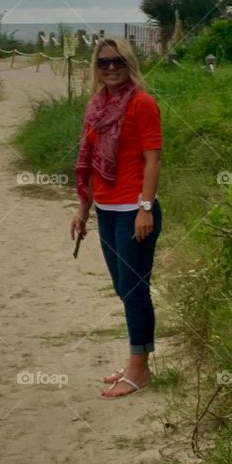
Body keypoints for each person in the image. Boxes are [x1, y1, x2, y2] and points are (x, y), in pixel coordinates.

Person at [70, 37, 163, 398]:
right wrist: (82, 209)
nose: (110, 68)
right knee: (123, 288)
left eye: (118, 62)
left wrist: (145, 207)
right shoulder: (97, 106)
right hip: (107, 210)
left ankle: (139, 370)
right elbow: (90, 159)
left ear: (129, 64)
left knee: (135, 290)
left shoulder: (142, 103)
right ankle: (135, 363)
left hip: (133, 210)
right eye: (104, 62)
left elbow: (153, 160)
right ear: (96, 66)